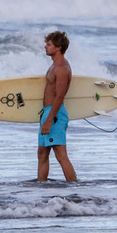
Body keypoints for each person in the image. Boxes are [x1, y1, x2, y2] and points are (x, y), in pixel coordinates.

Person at [38, 30, 78, 182]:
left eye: (48, 44)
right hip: (48, 113)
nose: (45, 47)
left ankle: (74, 188)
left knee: (61, 155)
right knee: (42, 154)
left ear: (58, 47)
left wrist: (49, 119)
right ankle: (40, 186)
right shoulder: (54, 65)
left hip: (54, 116)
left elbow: (60, 96)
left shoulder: (61, 68)